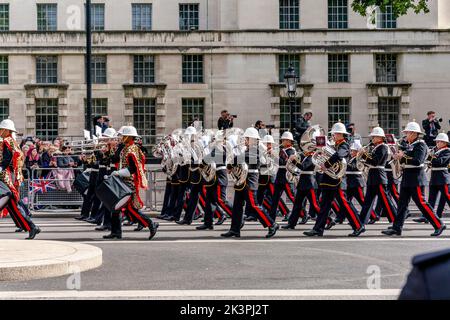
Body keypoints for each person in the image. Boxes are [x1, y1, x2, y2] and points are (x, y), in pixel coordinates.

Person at [381, 121, 446, 237]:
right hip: (407, 177)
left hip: (416, 178)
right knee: (402, 205)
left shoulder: (421, 144)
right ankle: (397, 228)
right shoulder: (409, 145)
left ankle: (439, 224)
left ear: (414, 133)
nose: (406, 135)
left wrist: (403, 156)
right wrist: (397, 157)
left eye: (407, 133)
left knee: (421, 204)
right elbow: (405, 159)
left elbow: (418, 161)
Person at [304, 122, 364, 237]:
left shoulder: (344, 145)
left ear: (341, 134)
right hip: (328, 179)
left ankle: (358, 226)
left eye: (335, 133)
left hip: (337, 180)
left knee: (345, 204)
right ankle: (318, 229)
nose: (333, 135)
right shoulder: (333, 145)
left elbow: (339, 155)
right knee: (324, 205)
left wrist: (326, 163)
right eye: (333, 133)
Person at [221, 127, 279, 238]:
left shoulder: (256, 149)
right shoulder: (248, 149)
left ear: (252, 139)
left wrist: (231, 162)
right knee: (237, 206)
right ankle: (235, 229)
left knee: (254, 205)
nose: (245, 140)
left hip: (250, 181)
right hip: (241, 181)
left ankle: (272, 224)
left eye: (247, 138)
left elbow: (242, 158)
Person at [104, 126, 158, 240]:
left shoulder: (132, 149)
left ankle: (150, 223)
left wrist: (118, 173)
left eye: (124, 136)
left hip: (129, 182)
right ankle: (116, 232)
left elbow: (133, 169)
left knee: (131, 209)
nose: (121, 137)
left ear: (129, 137)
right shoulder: (125, 148)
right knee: (116, 207)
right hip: (122, 181)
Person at [0, 119, 40, 239]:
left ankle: (31, 226)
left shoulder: (7, 140)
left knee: (12, 202)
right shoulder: (11, 141)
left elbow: (9, 157)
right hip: (7, 175)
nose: (0, 131)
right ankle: (31, 227)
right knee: (13, 205)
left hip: (5, 176)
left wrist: (1, 167)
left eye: (1, 129)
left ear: (6, 130)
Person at [357, 127, 397, 227]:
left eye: (374, 136)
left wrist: (364, 155)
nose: (372, 138)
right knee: (368, 201)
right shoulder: (376, 147)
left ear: (380, 137)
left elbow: (375, 162)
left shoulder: (383, 147)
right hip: (373, 176)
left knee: (386, 200)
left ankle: (395, 220)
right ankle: (362, 220)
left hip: (379, 176)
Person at [414, 133, 450, 221]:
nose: (437, 143)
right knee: (431, 199)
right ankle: (427, 216)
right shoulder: (436, 151)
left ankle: (432, 216)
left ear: (445, 143)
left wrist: (431, 157)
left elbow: (440, 162)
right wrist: (430, 157)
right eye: (437, 141)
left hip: (442, 177)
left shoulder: (447, 151)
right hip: (434, 177)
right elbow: (431, 161)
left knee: (448, 197)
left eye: (440, 141)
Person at [268, 131, 296, 221]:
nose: (282, 141)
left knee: (292, 197)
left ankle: (303, 214)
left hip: (286, 176)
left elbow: (285, 162)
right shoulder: (282, 150)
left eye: (284, 140)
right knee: (275, 198)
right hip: (280, 175)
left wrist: (275, 156)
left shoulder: (291, 151)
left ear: (289, 141)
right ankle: (271, 217)